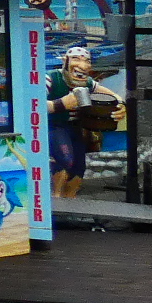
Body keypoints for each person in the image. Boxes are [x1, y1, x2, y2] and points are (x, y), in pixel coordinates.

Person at [47, 46, 104, 199]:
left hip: (76, 128)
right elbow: (32, 103)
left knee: (78, 169)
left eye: (87, 61)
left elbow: (111, 96)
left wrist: (120, 105)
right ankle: (56, 199)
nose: (82, 65)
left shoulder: (87, 82)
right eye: (76, 59)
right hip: (55, 126)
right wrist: (59, 104)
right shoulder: (51, 78)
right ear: (65, 62)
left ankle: (70, 202)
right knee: (65, 161)